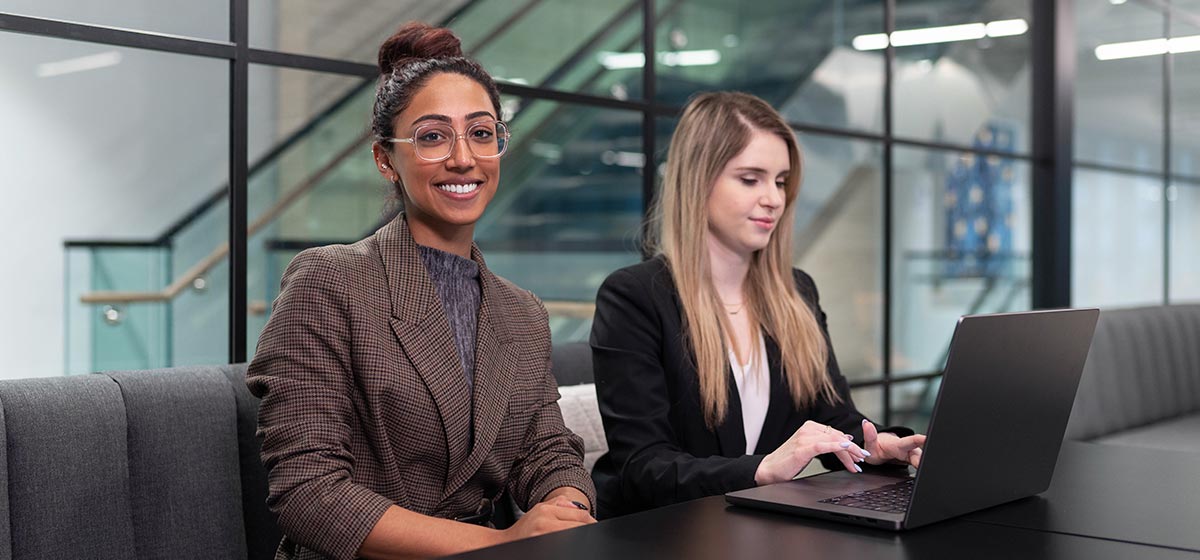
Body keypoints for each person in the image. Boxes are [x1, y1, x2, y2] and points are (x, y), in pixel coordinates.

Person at [247, 22, 595, 560]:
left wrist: (562, 509)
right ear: (386, 160)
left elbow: (547, 450)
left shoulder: (522, 312)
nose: (464, 158)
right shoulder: (327, 282)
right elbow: (309, 493)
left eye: (481, 133)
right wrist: (500, 543)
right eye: (433, 136)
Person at [589, 92, 926, 518]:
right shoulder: (635, 297)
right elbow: (644, 468)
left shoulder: (796, 292)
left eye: (781, 181)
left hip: (757, 524)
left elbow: (833, 415)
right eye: (751, 179)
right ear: (698, 181)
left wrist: (877, 447)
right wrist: (764, 469)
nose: (774, 199)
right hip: (664, 532)